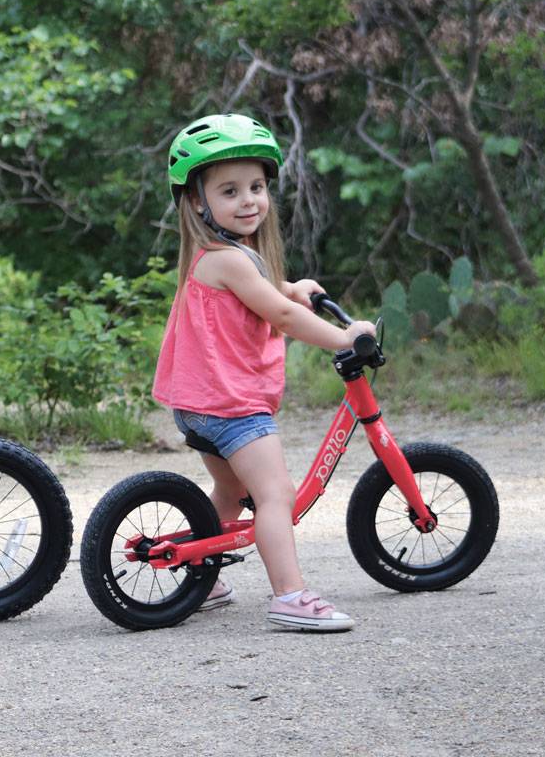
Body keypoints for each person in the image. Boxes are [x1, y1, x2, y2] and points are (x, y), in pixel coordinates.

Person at [153, 113, 377, 632]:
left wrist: (294, 288)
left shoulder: (229, 254)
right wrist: (343, 338)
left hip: (200, 404)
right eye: (229, 191)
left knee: (230, 493)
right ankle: (291, 595)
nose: (248, 200)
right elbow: (278, 315)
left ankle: (201, 575)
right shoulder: (228, 260)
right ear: (196, 201)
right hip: (230, 407)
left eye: (256, 186)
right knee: (275, 495)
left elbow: (270, 296)